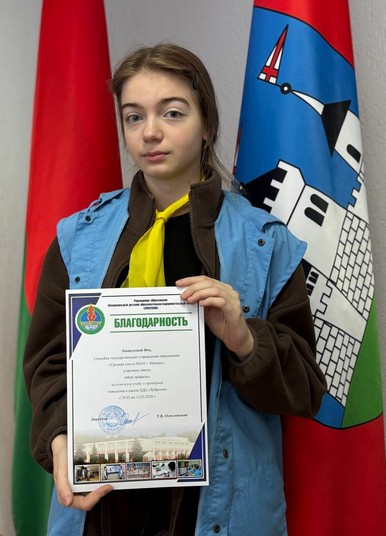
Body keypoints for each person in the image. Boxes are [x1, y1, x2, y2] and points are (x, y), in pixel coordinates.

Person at [24, 43, 327, 536]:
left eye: (172, 113)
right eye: (133, 116)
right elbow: (48, 364)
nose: (150, 132)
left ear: (206, 124)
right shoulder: (77, 239)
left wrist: (244, 339)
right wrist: (59, 437)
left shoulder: (266, 243)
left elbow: (306, 390)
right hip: (104, 504)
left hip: (216, 508)